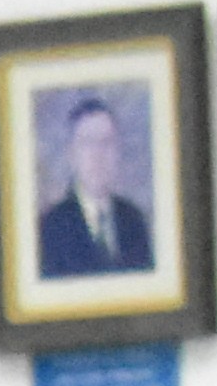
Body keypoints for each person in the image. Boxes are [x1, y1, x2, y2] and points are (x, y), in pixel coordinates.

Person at [33, 94, 153, 280]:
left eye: (106, 142)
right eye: (88, 143)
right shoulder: (50, 228)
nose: (98, 154)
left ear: (118, 152)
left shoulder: (134, 221)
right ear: (72, 155)